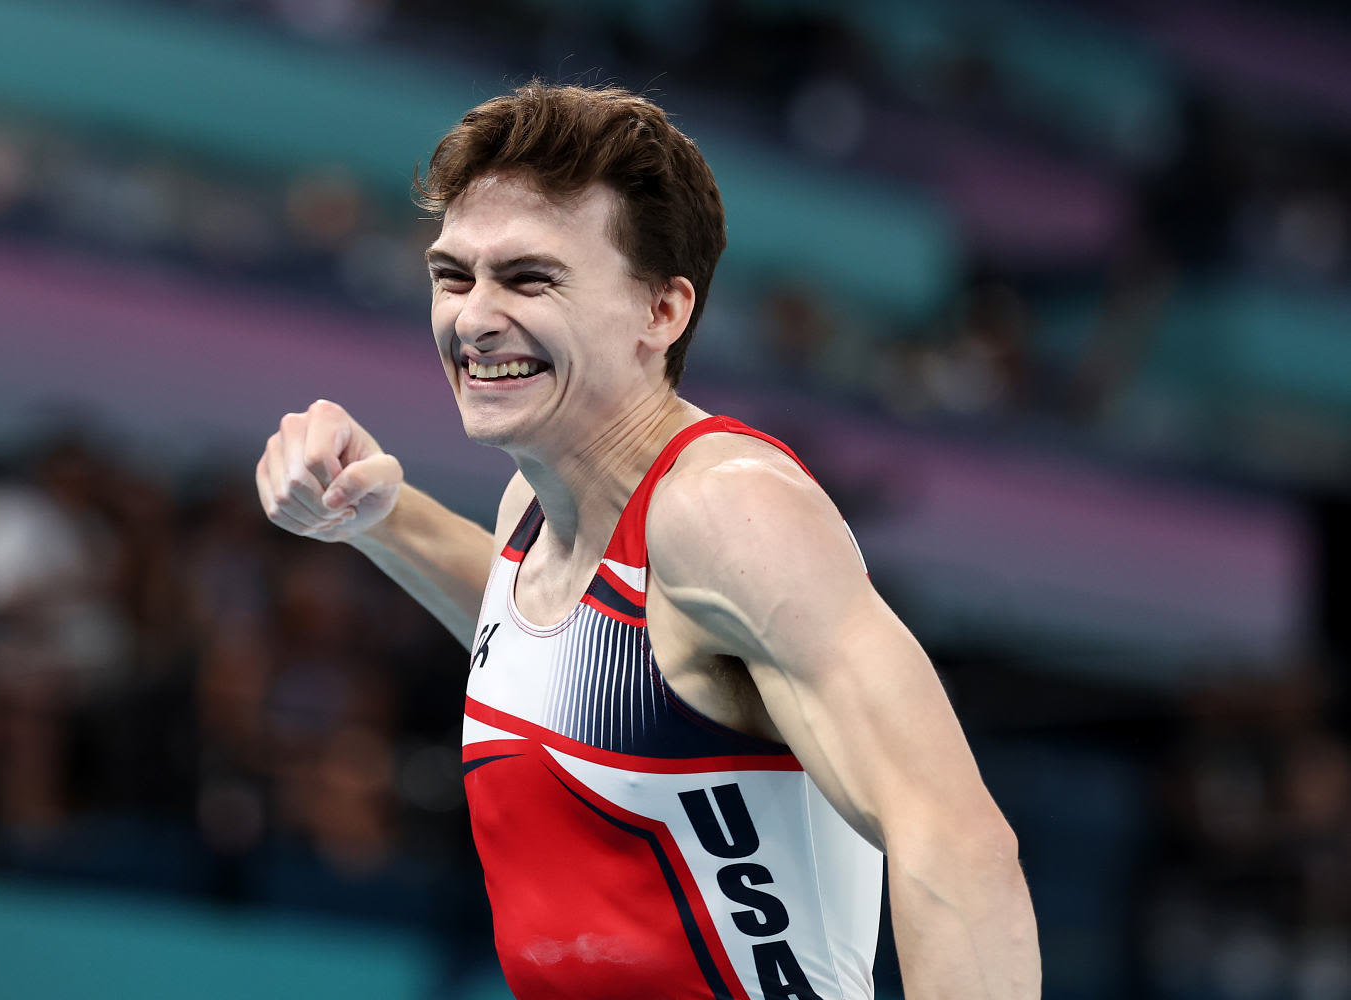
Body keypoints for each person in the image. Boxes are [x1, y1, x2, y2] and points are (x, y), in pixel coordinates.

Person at [257, 81, 1039, 1000]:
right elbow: (557, 663)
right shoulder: (535, 508)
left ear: (661, 312)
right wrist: (382, 515)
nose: (472, 318)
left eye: (529, 277)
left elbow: (957, 845)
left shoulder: (725, 515)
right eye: (452, 274)